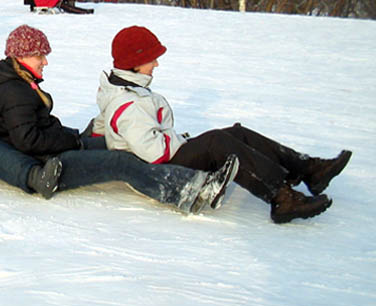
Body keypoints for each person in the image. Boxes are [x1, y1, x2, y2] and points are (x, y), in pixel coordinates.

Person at [93, 26, 351, 223]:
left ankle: (308, 169)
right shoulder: (128, 103)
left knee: (236, 134)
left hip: (161, 152)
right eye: (152, 58)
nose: (157, 64)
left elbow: (104, 126)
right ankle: (281, 198)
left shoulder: (125, 89)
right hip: (157, 166)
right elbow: (154, 152)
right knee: (218, 143)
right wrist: (182, 141)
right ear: (135, 63)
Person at [0, 24, 236, 210]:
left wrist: (79, 137)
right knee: (121, 163)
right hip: (48, 164)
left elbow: (32, 130)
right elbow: (28, 140)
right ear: (19, 56)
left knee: (124, 141)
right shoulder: (13, 91)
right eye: (38, 55)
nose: (45, 61)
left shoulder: (21, 83)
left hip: (52, 151)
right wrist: (70, 142)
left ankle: (189, 164)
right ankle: (188, 191)